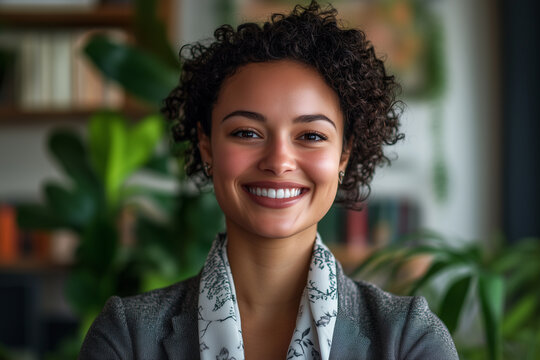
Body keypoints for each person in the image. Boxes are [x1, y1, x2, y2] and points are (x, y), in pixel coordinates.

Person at [79, 2, 458, 359]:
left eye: (311, 136)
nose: (278, 162)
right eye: (247, 133)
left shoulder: (408, 339)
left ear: (344, 154)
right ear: (206, 146)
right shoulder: (126, 337)